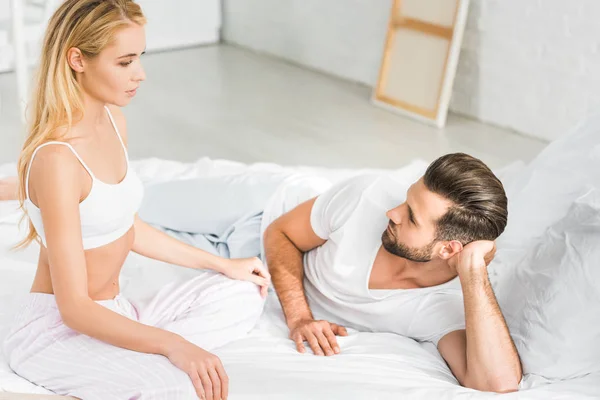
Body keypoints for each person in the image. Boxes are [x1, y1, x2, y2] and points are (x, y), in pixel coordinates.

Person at [1, 1, 269, 399]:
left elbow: (127, 226)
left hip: (116, 310)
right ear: (77, 59)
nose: (140, 75)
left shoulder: (114, 121)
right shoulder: (57, 159)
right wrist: (173, 344)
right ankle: (139, 355)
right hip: (58, 330)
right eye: (125, 62)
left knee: (244, 291)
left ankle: (130, 350)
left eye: (139, 58)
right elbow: (74, 307)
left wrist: (223, 264)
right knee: (176, 385)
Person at [263, 153, 523, 393]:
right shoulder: (365, 196)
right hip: (260, 213)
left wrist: (474, 270)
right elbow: (280, 233)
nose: (392, 212)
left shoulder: (445, 302)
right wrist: (299, 318)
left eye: (411, 218)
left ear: (448, 250)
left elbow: (497, 385)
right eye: (405, 200)